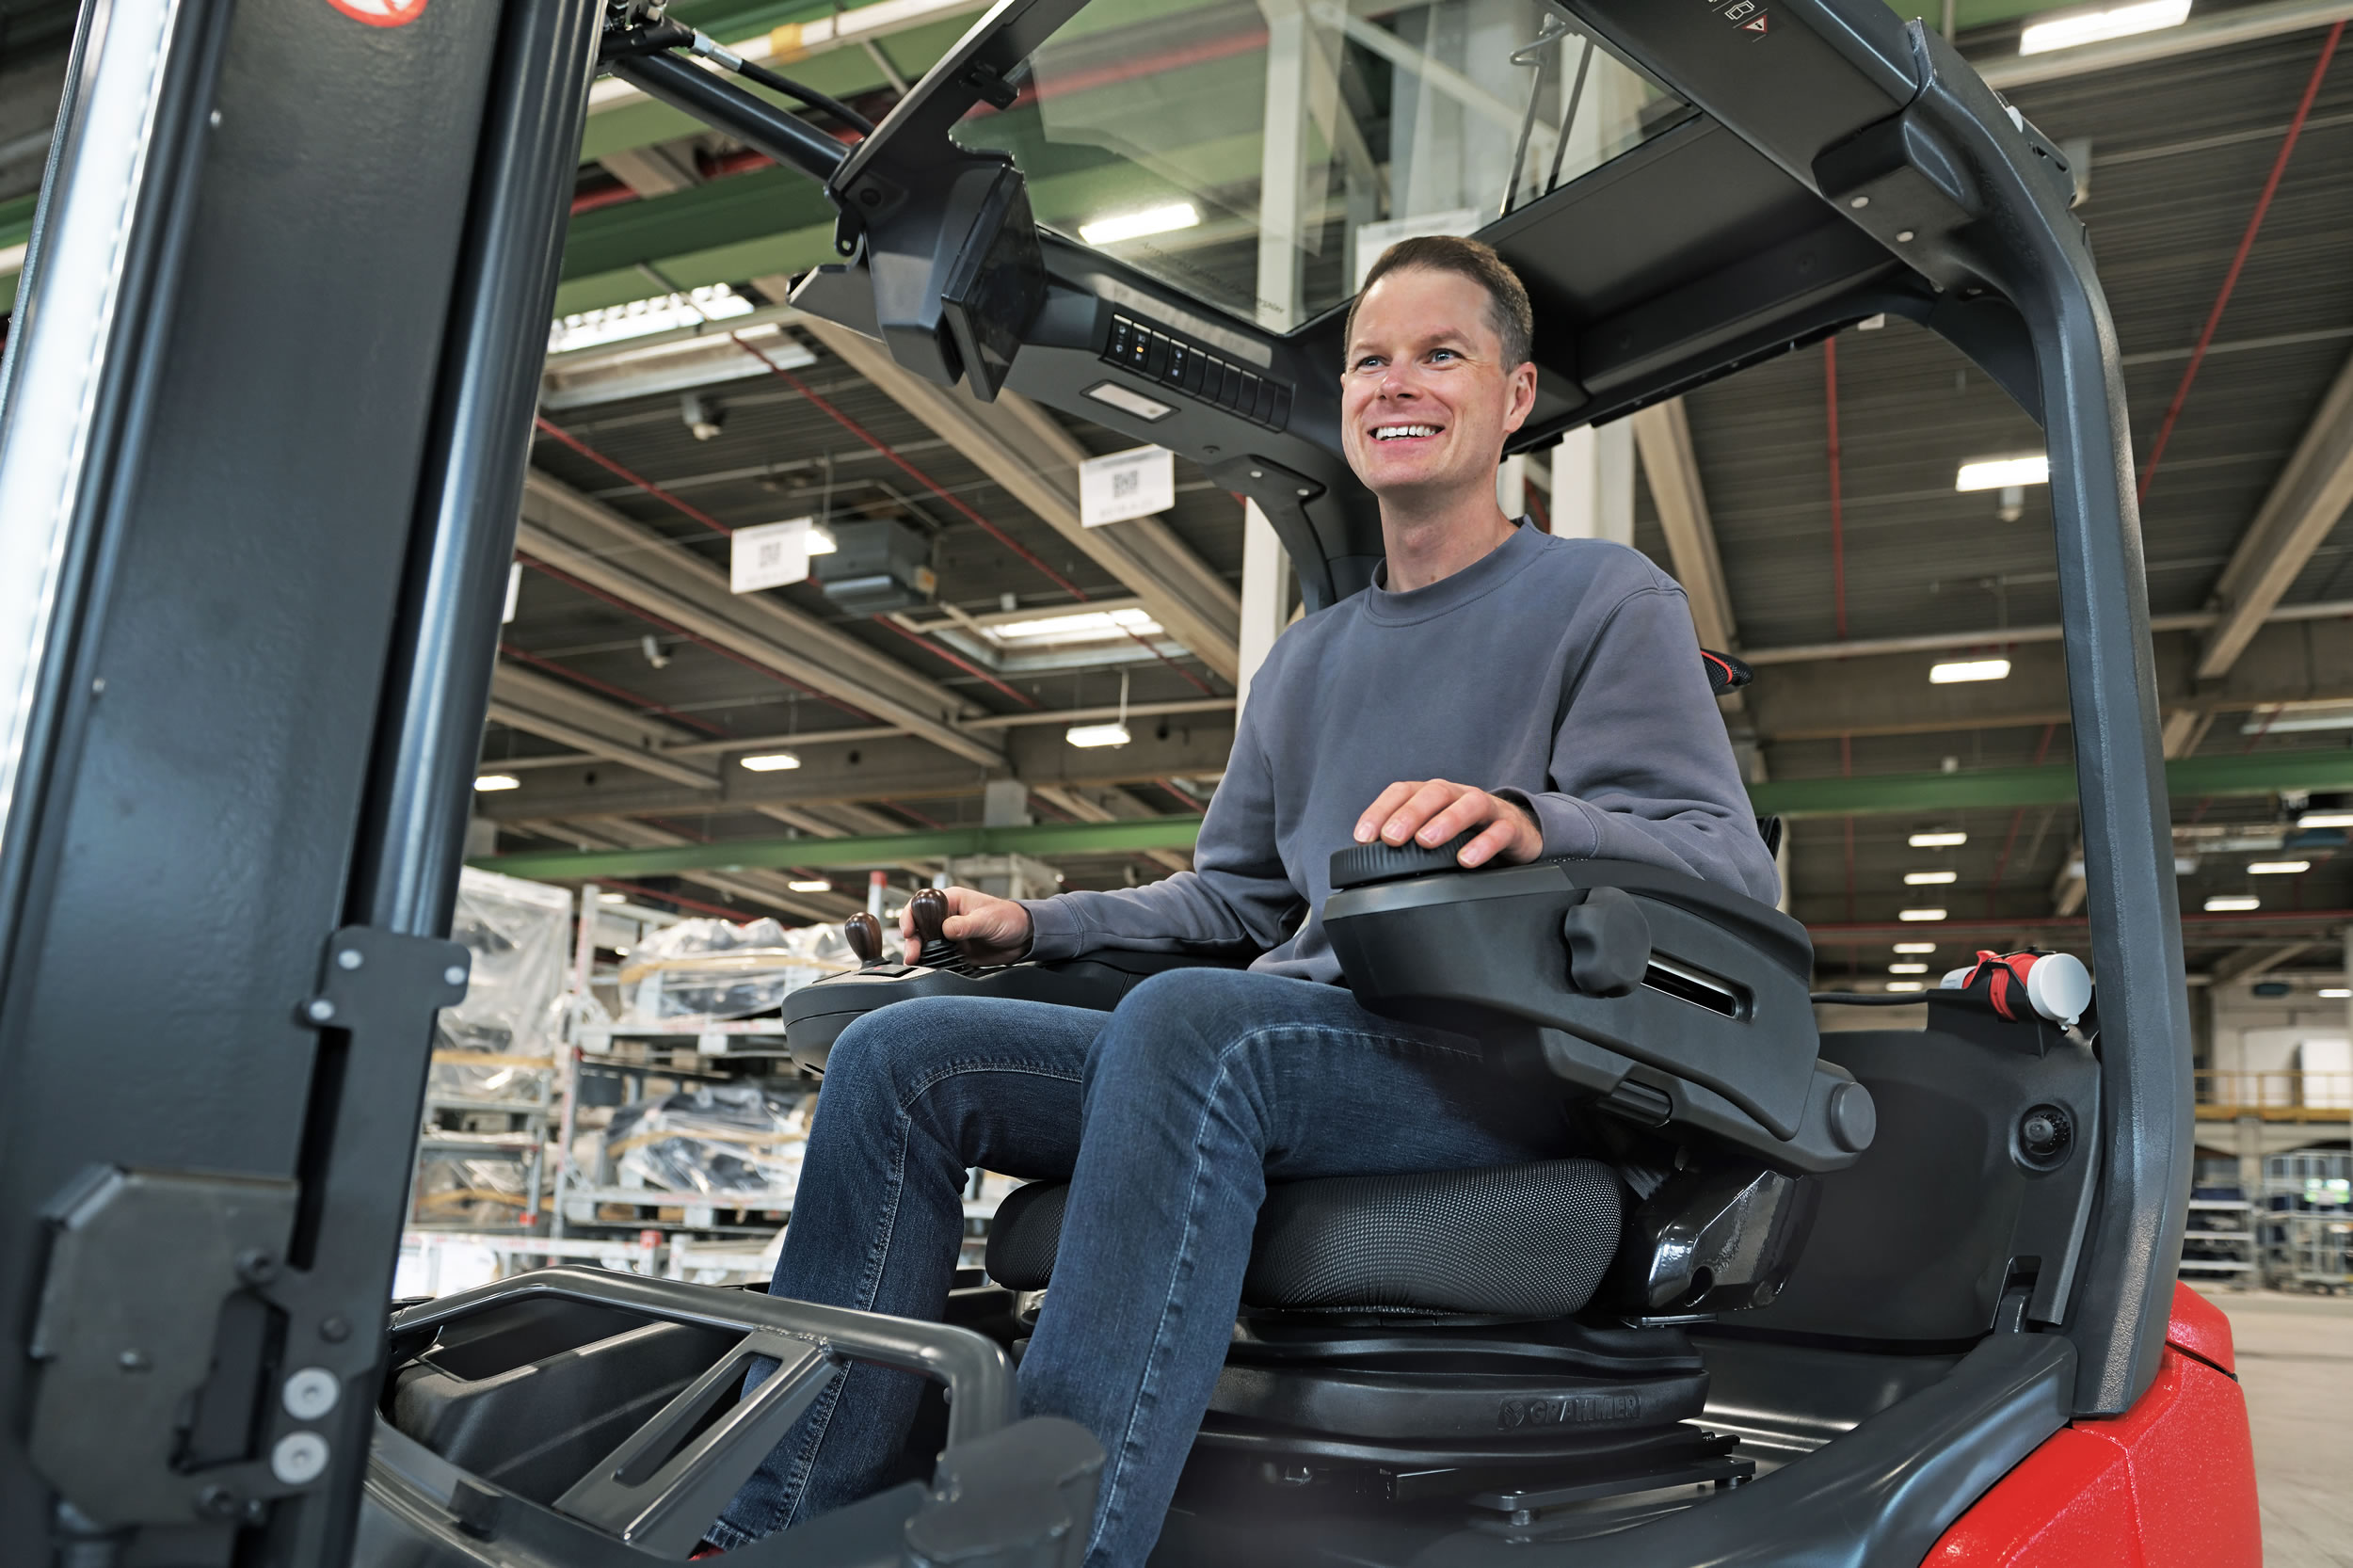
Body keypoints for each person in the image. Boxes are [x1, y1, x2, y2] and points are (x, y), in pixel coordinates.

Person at [706, 235, 1777, 1562]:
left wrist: (1535, 821)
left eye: (1441, 355)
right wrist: (1038, 926)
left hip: (1494, 1066)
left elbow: (1723, 857)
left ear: (1514, 397)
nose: (1397, 384)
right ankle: (770, 1523)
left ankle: (1043, 1548)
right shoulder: (1306, 661)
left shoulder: (1604, 598)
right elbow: (1235, 899)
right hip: (1295, 1046)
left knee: (1194, 1029)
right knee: (900, 1055)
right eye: (1371, 362)